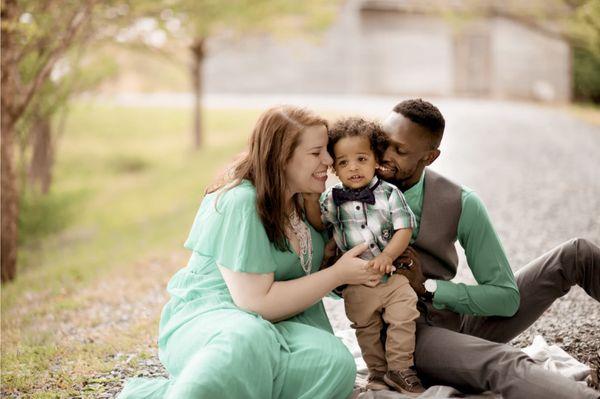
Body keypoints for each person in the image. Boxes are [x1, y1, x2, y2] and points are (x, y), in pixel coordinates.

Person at [118, 105, 383, 399]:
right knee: (246, 339)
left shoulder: (306, 200)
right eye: (316, 152)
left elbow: (315, 274)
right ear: (282, 157)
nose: (329, 160)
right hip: (219, 316)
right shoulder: (240, 201)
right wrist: (336, 274)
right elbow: (256, 302)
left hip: (282, 324)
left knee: (334, 362)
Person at [377, 98, 600, 399]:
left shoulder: (461, 202)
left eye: (400, 150)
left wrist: (431, 290)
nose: (384, 156)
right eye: (382, 143)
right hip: (409, 340)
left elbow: (506, 298)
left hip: (452, 320)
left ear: (430, 157)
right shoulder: (354, 195)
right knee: (505, 361)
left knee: (577, 254)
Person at [304, 117, 424, 396]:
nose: (353, 167)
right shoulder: (332, 199)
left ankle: (400, 368)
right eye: (343, 163)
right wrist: (312, 198)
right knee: (366, 328)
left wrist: (388, 256)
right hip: (356, 281)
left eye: (361, 158)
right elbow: (320, 224)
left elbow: (404, 228)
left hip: (390, 274)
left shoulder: (389, 193)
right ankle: (378, 373)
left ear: (375, 159)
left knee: (404, 313)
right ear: (335, 168)